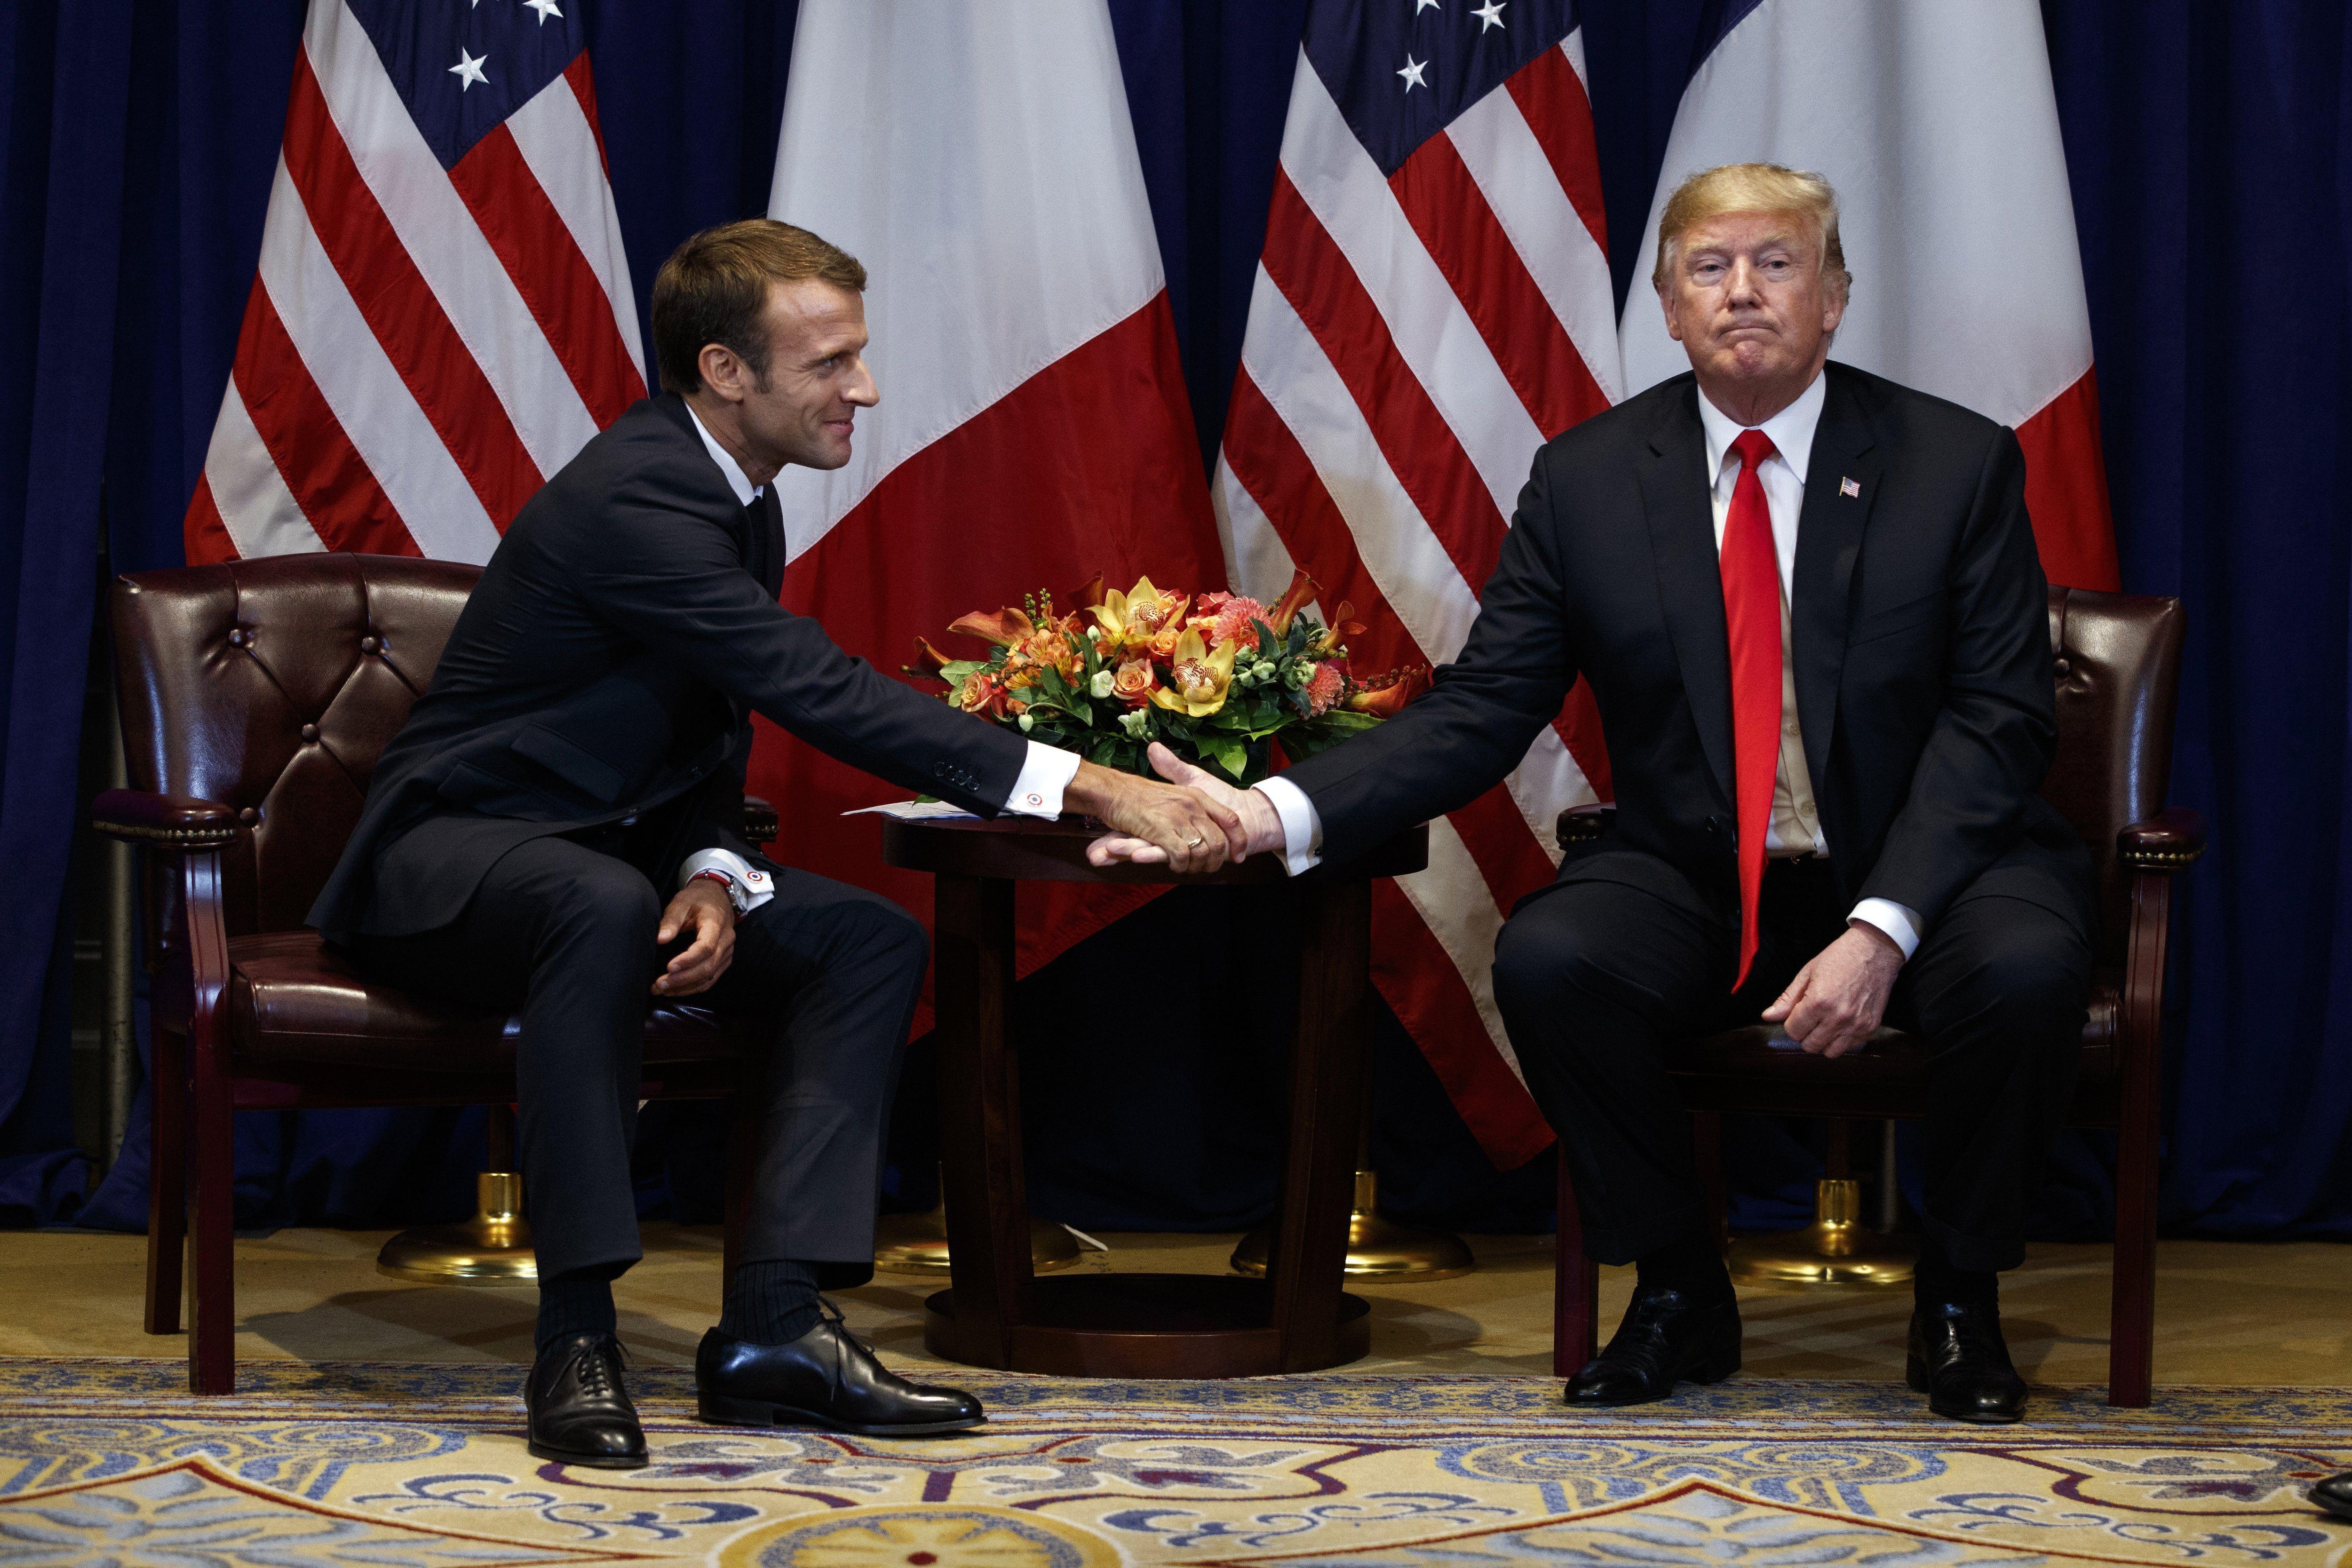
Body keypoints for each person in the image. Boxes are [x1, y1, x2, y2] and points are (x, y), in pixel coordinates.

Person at [1098, 164, 2096, 1425]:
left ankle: (1959, 1291)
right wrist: (1268, 812)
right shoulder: (1587, 480)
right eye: (1709, 269)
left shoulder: (1955, 465)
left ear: (1835, 298)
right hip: (1700, 862)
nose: (1745, 293)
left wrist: (1882, 925)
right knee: (1557, 959)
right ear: (1668, 309)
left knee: (2023, 968)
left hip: (1933, 865)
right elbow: (1481, 708)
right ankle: (1680, 1285)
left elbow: (1999, 719)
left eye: (1778, 264)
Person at [310, 220, 1242, 1467]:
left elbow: (699, 722)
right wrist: (1098, 792)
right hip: (451, 861)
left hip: (611, 860)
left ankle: (775, 1330)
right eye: (831, 362)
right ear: (725, 372)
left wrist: (706, 866)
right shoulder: (642, 493)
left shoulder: (733, 496)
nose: (864, 388)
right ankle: (573, 1338)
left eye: (859, 354)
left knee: (857, 940)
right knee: (591, 901)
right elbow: (813, 687)